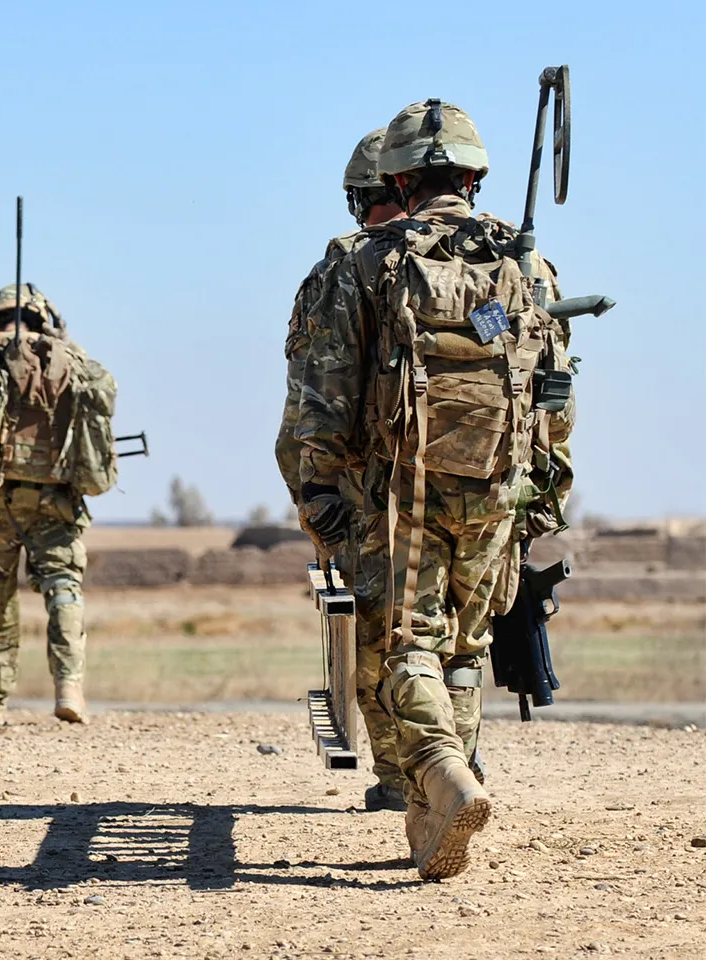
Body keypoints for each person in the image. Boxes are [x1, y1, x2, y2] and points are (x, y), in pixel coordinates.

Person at [293, 99, 576, 879]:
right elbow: (555, 395)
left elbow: (318, 401)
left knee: (407, 646)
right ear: (475, 174)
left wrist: (318, 496)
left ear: (399, 178)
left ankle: (443, 776)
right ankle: (435, 807)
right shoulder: (528, 265)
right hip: (500, 486)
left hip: (399, 491)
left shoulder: (360, 261)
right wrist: (539, 490)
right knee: (465, 645)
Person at [275, 128, 409, 812]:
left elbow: (310, 401)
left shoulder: (342, 269)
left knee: (373, 634)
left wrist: (312, 494)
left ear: (364, 198)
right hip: (478, 482)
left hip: (369, 497)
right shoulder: (499, 261)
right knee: (453, 637)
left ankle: (403, 774)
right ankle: (455, 753)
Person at [0, 284, 120, 726]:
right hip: (58, 501)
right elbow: (106, 397)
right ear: (39, 319)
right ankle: (69, 686)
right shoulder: (71, 363)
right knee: (64, 590)